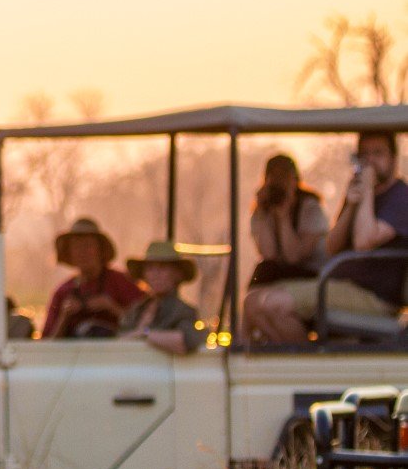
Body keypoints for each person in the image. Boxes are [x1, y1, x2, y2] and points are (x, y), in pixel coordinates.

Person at [243, 132, 408, 344]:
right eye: (364, 155)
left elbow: (363, 242)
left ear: (393, 159)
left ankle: (310, 369)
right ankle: (297, 366)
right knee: (253, 303)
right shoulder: (361, 195)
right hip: (338, 284)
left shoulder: (401, 197)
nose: (370, 162)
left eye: (378, 154)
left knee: (273, 304)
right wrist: (350, 205)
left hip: (372, 296)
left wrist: (366, 192)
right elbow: (332, 247)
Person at [42, 218, 146, 338]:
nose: (82, 252)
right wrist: (64, 317)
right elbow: (47, 345)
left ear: (100, 250)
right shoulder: (63, 291)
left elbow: (147, 328)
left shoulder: (121, 282)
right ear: (69, 253)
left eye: (88, 245)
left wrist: (112, 307)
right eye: (76, 247)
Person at [247, 153, 329, 285]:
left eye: (284, 177)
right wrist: (263, 213)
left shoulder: (310, 208)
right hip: (280, 273)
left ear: (295, 180)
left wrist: (284, 216)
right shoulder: (263, 211)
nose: (280, 183)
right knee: (263, 270)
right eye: (274, 177)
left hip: (311, 274)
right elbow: (269, 255)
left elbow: (293, 258)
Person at [118, 240, 206, 355]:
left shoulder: (182, 310)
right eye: (150, 268)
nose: (156, 274)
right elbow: (119, 337)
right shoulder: (137, 309)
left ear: (177, 274)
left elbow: (185, 341)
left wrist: (145, 334)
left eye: (163, 268)